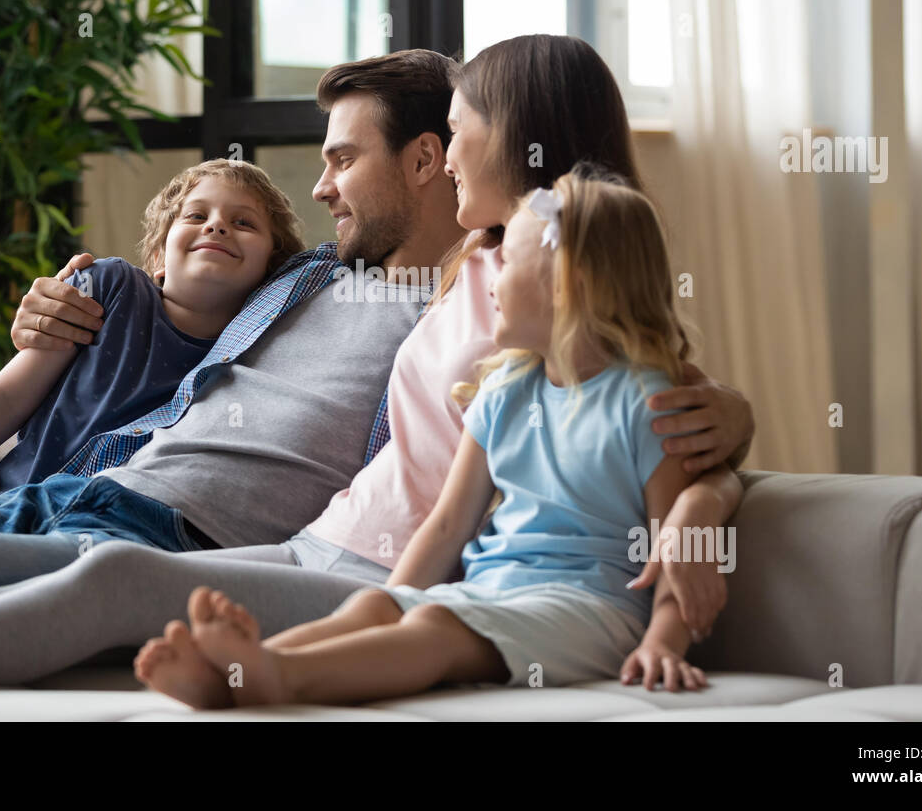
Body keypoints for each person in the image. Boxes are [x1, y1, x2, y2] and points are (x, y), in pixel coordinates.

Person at [0, 39, 752, 718]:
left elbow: (653, 397)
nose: (321, 186)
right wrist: (78, 300)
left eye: (454, 133)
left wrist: (722, 452)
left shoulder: (537, 286)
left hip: (347, 569)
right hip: (305, 547)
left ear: (467, 149)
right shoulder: (433, 273)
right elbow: (188, 305)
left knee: (90, 573)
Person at [133, 171, 710, 708]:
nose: (491, 280)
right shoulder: (503, 391)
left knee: (433, 630)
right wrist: (393, 602)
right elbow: (446, 524)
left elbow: (675, 547)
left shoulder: (648, 403)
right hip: (492, 592)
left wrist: (664, 640)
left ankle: (280, 679)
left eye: (509, 264)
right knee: (376, 604)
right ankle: (238, 676)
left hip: (590, 610)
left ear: (568, 288)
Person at [0, 159, 304, 506]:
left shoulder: (254, 358)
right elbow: (8, 396)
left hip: (92, 526)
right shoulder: (109, 287)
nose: (216, 226)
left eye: (244, 223)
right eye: (196, 215)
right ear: (159, 257)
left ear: (272, 271)